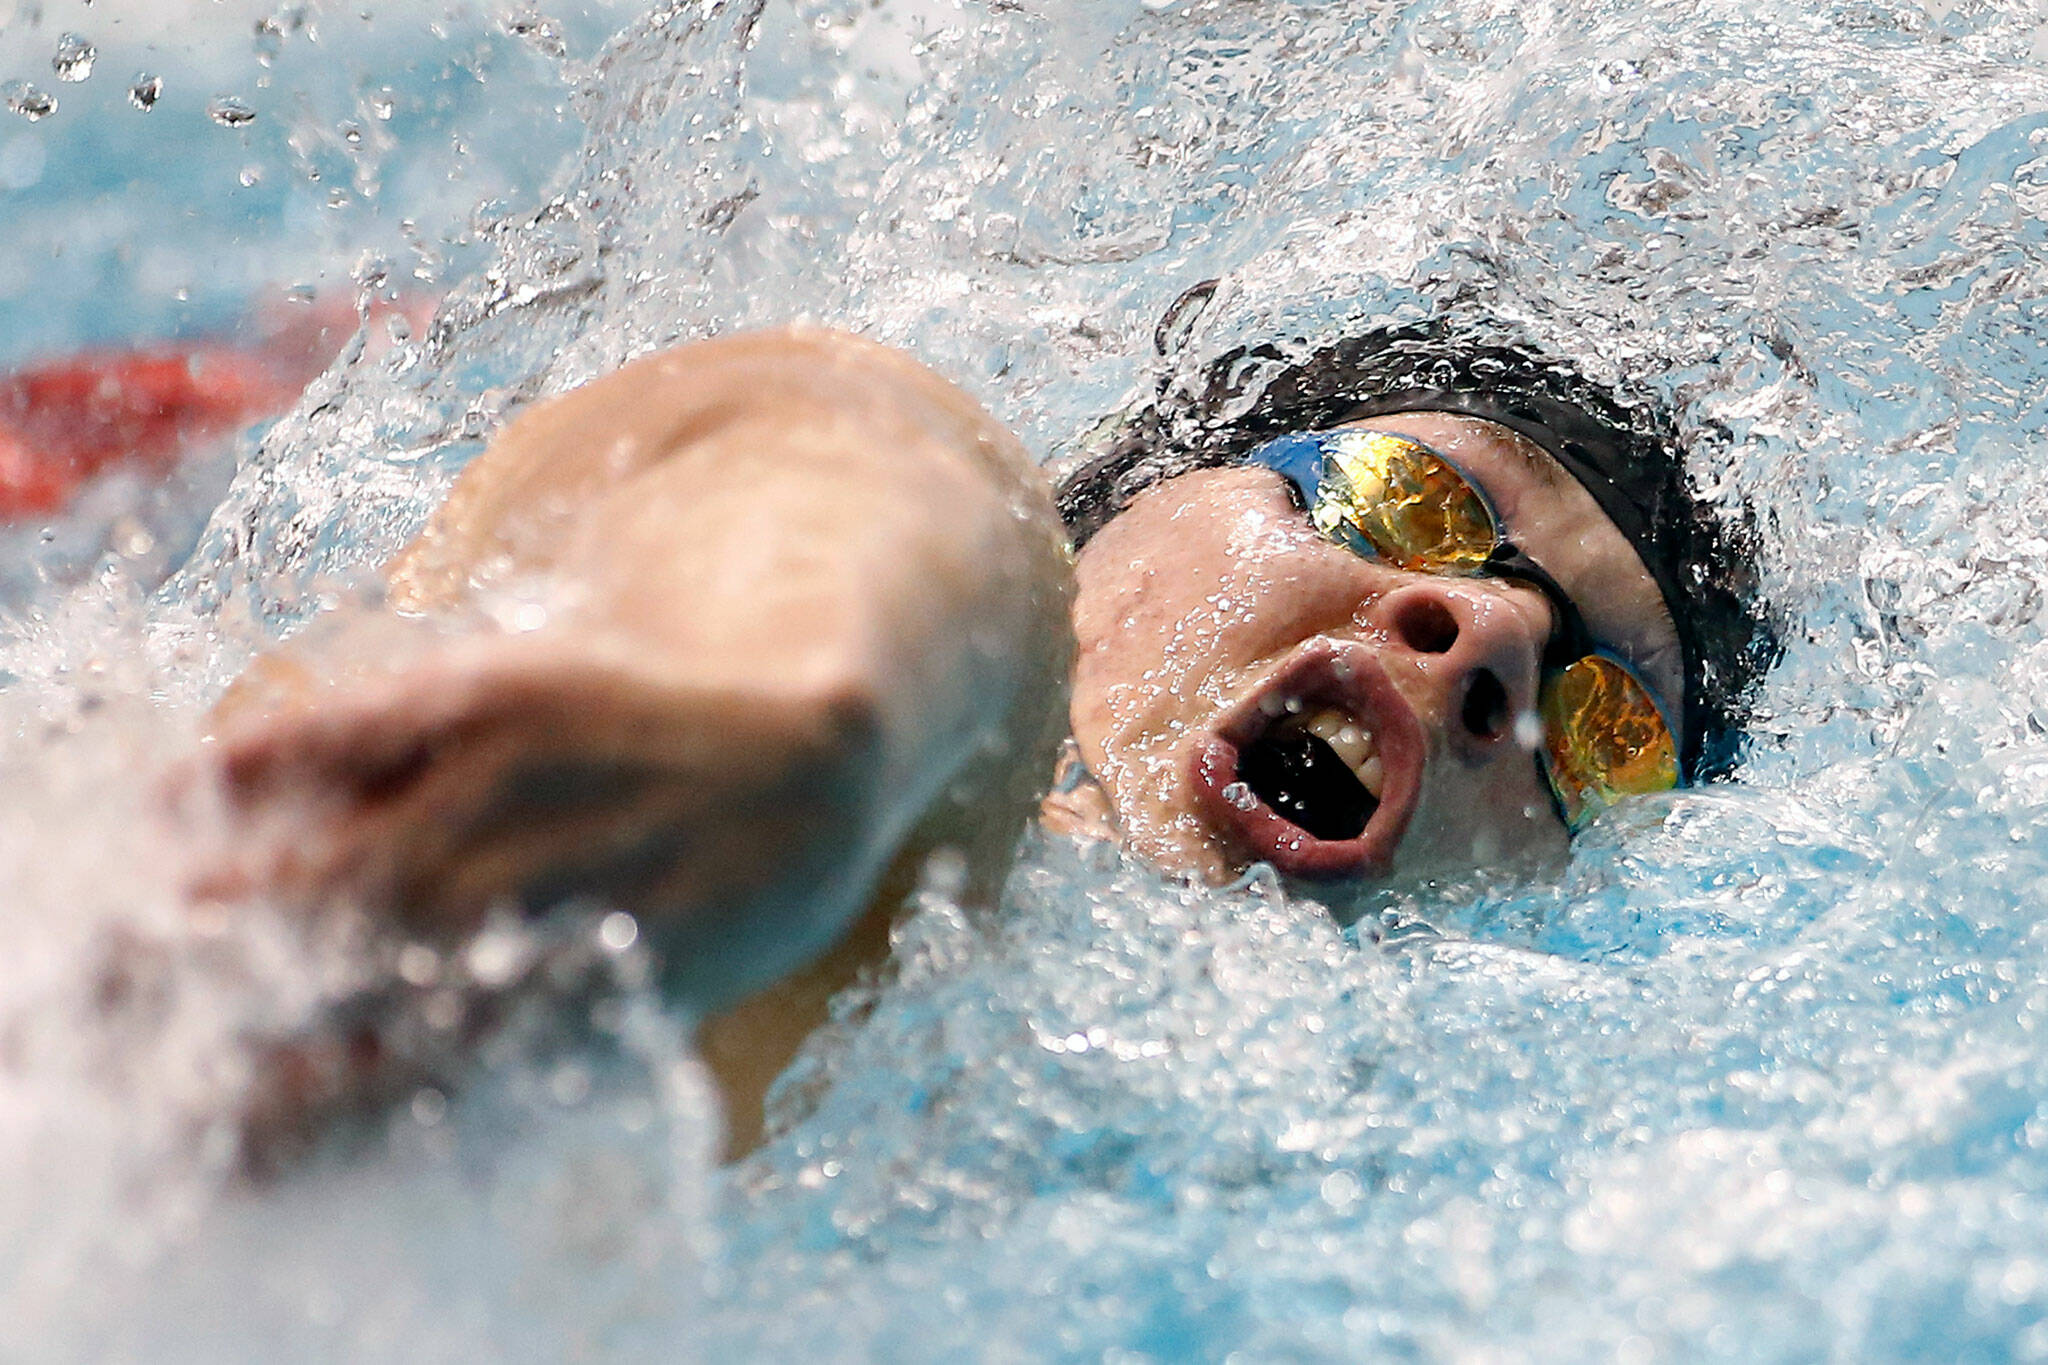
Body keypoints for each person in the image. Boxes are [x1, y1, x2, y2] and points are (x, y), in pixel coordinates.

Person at [191, 320, 1774, 1158]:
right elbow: (842, 448)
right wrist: (810, 750)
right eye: (1401, 499)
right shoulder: (907, 642)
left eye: (1604, 731)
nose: (1491, 633)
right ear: (1135, 503)